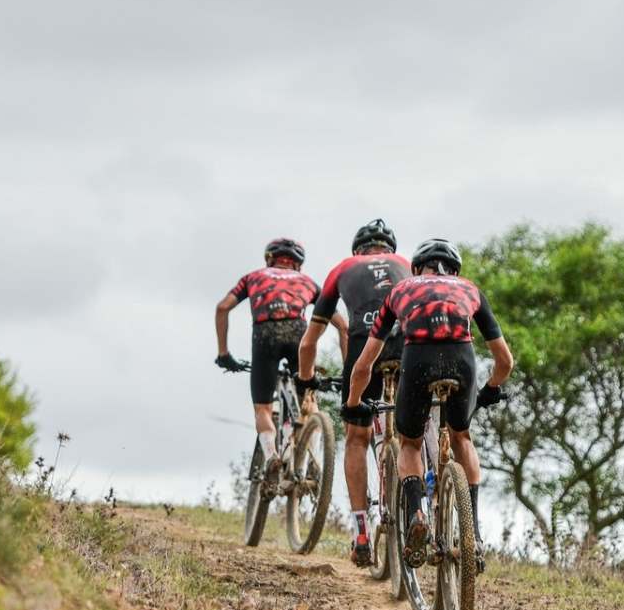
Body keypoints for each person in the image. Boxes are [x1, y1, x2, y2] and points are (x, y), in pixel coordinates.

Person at [344, 238, 513, 571]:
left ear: (417, 268)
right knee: (462, 437)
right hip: (461, 360)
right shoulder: (470, 290)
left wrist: (353, 403)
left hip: (417, 359)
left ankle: (417, 512)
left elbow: (364, 363)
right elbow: (505, 361)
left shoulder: (401, 290)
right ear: (454, 270)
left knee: (410, 443)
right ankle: (474, 536)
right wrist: (490, 389)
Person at [296, 219, 412, 567]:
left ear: (357, 249)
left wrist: (306, 381)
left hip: (365, 346)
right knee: (412, 434)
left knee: (357, 438)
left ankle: (361, 533)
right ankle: (421, 505)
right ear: (389, 249)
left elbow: (309, 342)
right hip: (408, 345)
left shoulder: (343, 268)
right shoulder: (406, 264)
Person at [214, 237, 343, 482]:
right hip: (299, 334)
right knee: (309, 398)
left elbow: (223, 308)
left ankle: (271, 454)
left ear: (269, 260)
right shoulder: (307, 282)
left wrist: (224, 354)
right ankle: (313, 458)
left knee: (263, 409)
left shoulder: (253, 277)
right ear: (298, 264)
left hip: (265, 334)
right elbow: (341, 324)